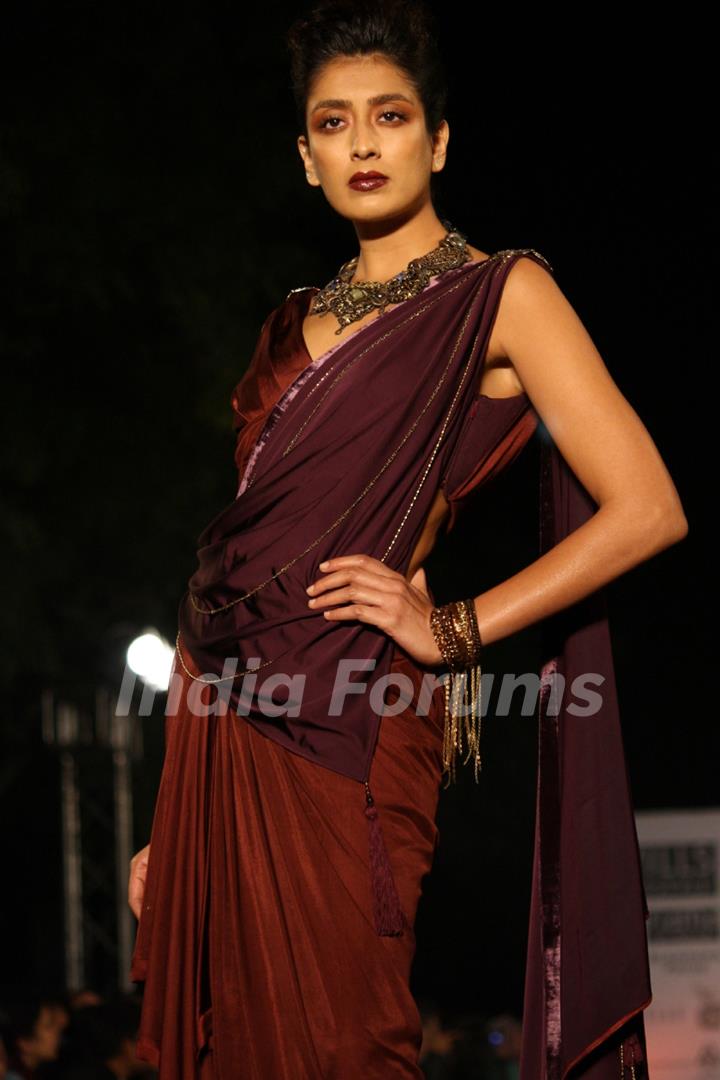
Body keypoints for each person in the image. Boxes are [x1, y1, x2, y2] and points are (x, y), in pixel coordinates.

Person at [127, 1, 688, 1076]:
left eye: (389, 115)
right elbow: (236, 565)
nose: (364, 142)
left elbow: (649, 506)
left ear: (437, 140)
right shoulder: (289, 323)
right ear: (305, 158)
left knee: (349, 1040)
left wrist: (457, 627)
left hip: (359, 710)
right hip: (222, 719)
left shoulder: (503, 293)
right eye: (333, 123)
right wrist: (171, 811)